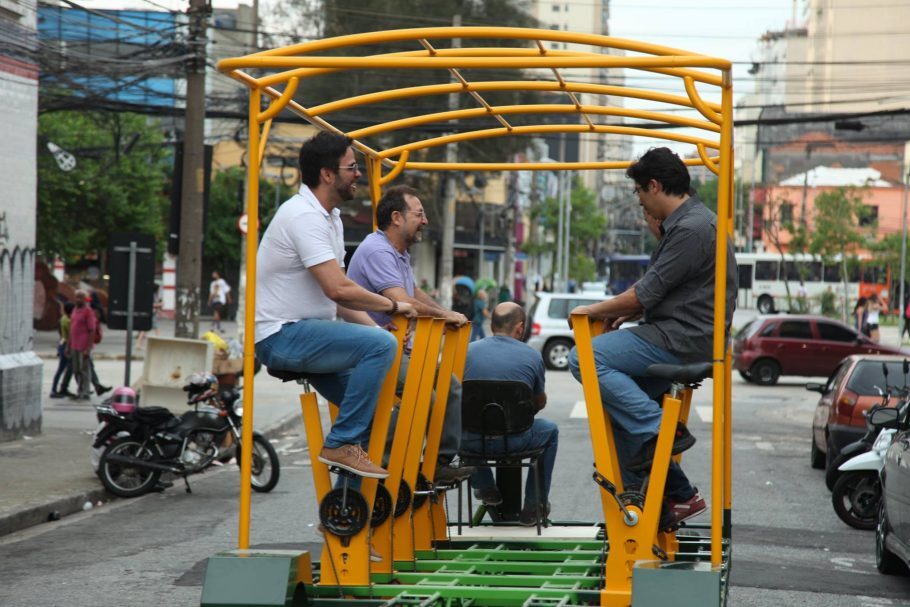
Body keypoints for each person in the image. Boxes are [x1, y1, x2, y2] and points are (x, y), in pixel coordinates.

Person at [567, 147, 737, 531]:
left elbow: (645, 293)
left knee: (585, 359)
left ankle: (659, 429)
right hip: (683, 332)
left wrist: (591, 311)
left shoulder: (691, 230)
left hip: (681, 338)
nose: (641, 203)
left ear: (655, 185)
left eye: (641, 193)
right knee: (614, 404)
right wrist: (628, 311)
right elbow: (662, 294)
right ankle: (669, 497)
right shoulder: (691, 224)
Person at [254, 131, 416, 479]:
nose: (358, 174)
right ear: (328, 174)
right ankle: (340, 443)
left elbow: (341, 299)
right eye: (352, 167)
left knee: (375, 416)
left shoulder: (331, 217)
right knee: (379, 348)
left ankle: (350, 514)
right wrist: (391, 307)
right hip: (281, 336)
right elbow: (338, 288)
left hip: (308, 334)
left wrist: (377, 328)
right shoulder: (302, 216)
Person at [346, 185, 472, 483]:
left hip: (396, 343)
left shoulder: (398, 254)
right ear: (396, 218)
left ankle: (439, 462)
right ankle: (387, 461)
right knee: (422, 395)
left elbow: (413, 292)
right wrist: (444, 315)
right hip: (372, 346)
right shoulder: (377, 249)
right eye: (419, 214)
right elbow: (402, 302)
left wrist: (445, 313)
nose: (425, 221)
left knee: (450, 387)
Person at [461, 302, 559, 525]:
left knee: (458, 423)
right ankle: (534, 506)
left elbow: (457, 399)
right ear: (520, 327)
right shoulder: (532, 356)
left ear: (492, 324)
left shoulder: (466, 351)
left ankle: (486, 488)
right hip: (517, 440)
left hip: (472, 443)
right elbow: (539, 402)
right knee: (550, 431)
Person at [69, 291, 97, 402]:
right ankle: (80, 389)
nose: (78, 300)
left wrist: (88, 348)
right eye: (77, 297)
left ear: (85, 299)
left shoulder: (88, 312)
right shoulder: (75, 310)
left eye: (81, 298)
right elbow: (72, 328)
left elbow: (92, 330)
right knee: (76, 369)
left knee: (84, 369)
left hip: (84, 345)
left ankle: (85, 392)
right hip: (74, 345)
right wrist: (68, 345)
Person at [50, 302, 74, 398]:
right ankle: (55, 390)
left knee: (63, 369)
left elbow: (61, 333)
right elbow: (71, 335)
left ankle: (58, 389)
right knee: (65, 369)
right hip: (67, 346)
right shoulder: (69, 321)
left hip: (62, 344)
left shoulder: (62, 319)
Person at [135, 284, 162, 350]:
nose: (159, 290)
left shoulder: (154, 295)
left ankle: (138, 344)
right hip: (151, 315)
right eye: (159, 289)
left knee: (145, 330)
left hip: (153, 314)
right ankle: (159, 344)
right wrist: (160, 304)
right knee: (154, 329)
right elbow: (150, 304)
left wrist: (159, 311)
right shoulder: (152, 295)